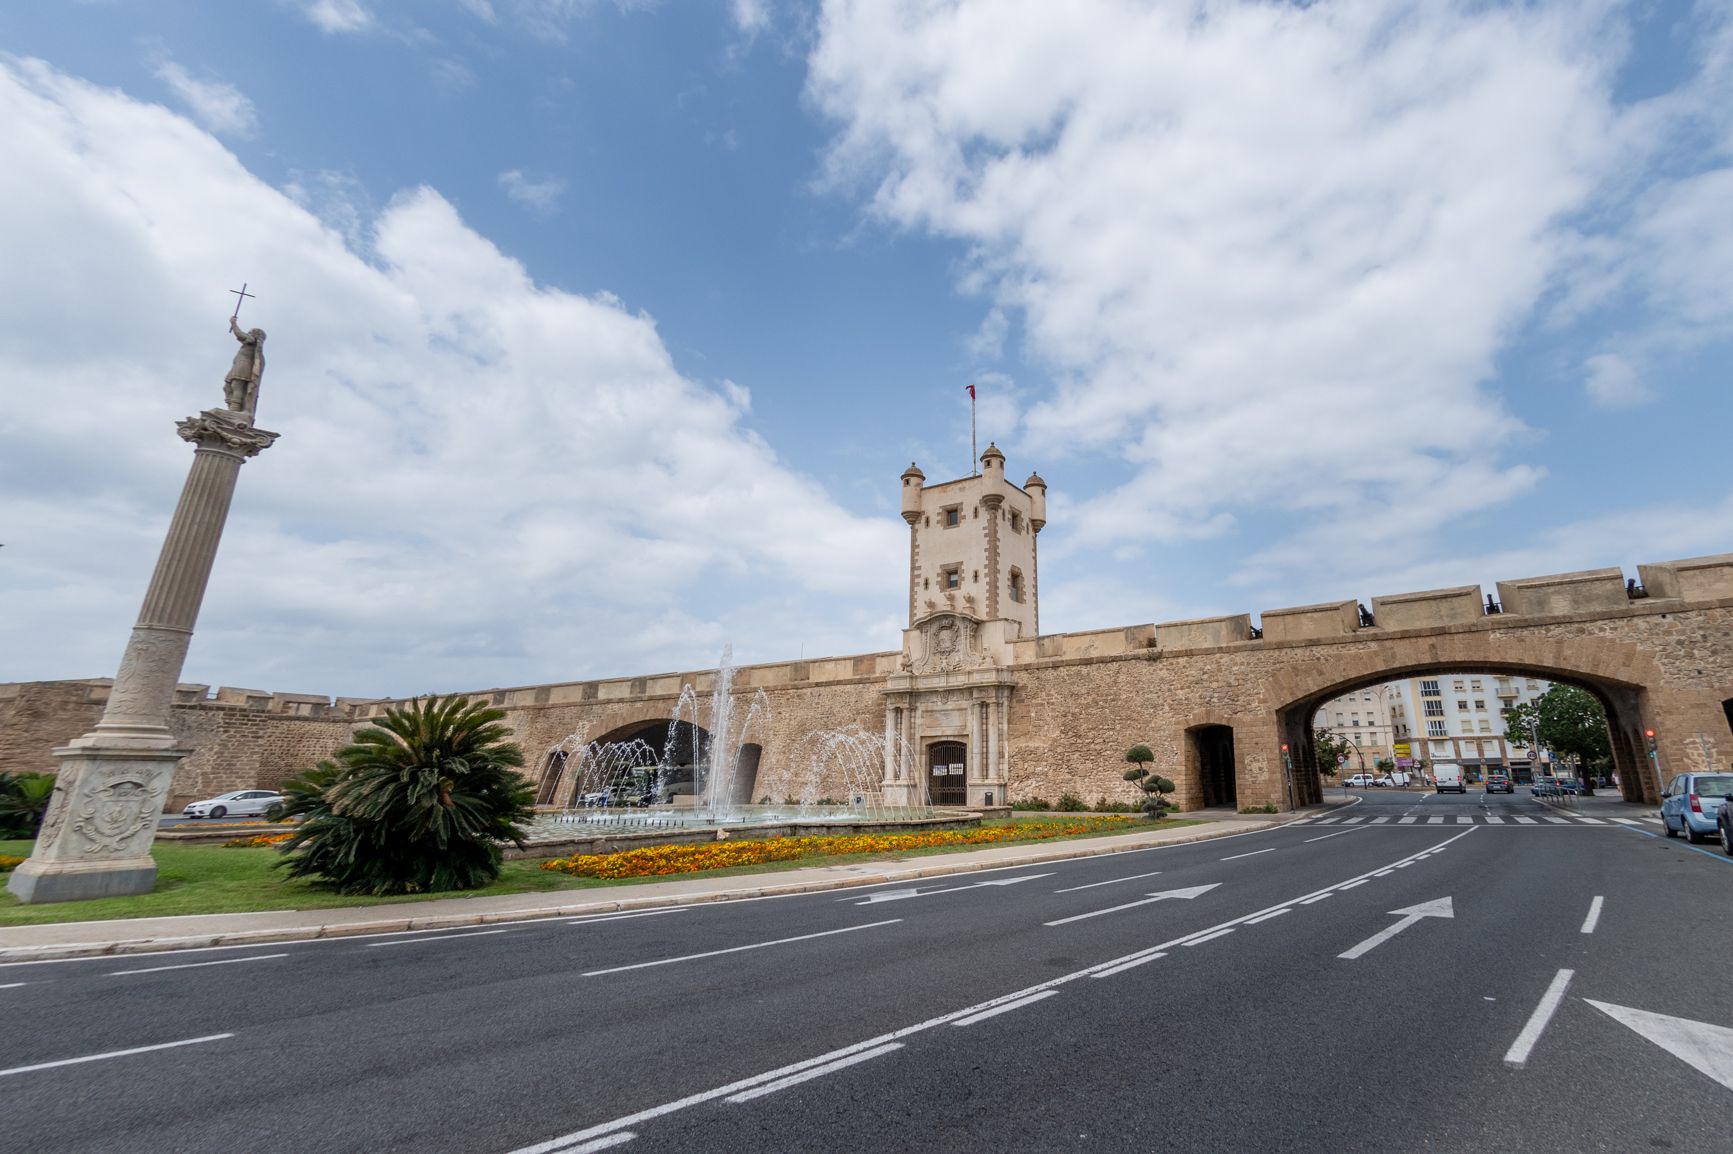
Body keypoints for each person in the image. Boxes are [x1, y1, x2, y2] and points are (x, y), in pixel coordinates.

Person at [224, 316, 266, 415]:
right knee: (227, 387)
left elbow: (239, 334)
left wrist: (233, 323)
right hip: (238, 365)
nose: (249, 333)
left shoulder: (252, 340)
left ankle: (235, 408)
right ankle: (232, 406)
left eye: (251, 332)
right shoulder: (248, 343)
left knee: (237, 385)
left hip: (244, 365)